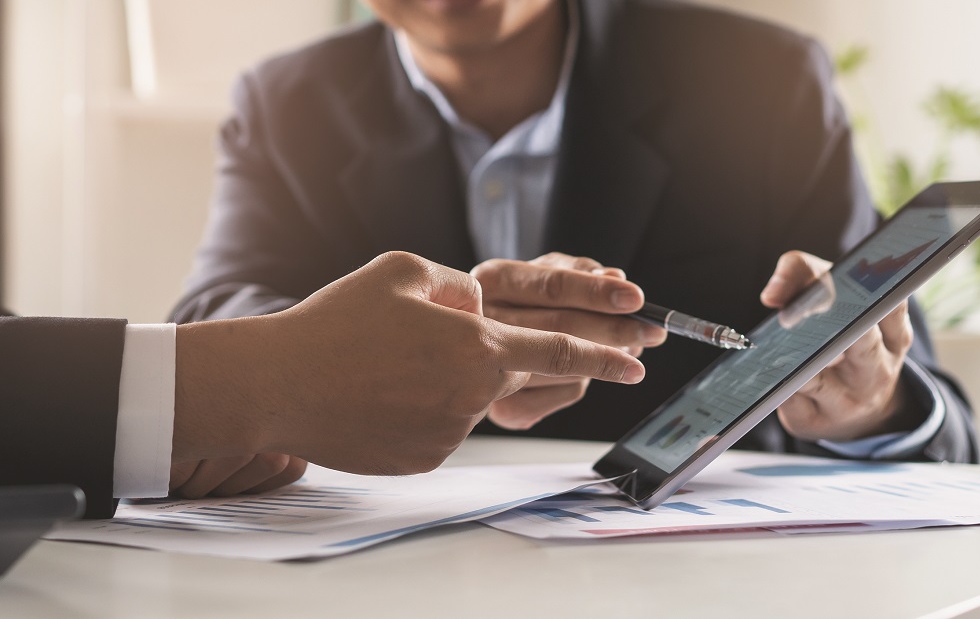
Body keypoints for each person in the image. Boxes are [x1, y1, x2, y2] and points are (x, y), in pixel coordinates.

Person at [171, 0, 976, 470]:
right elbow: (213, 320)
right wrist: (369, 346)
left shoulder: (759, 79)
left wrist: (870, 405)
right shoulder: (285, 103)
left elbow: (937, 419)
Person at [0, 252, 644, 518]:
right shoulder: (289, 93)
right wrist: (244, 381)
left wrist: (174, 414)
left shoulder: (714, 60)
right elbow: (217, 294)